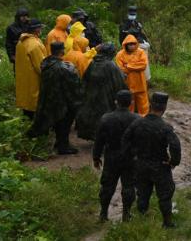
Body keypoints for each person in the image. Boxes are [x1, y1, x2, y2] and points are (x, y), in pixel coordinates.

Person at [122, 92, 181, 228]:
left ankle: (141, 220)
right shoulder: (165, 127)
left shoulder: (137, 123)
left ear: (150, 105)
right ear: (164, 107)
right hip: (160, 165)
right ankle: (167, 223)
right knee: (165, 195)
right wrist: (173, 162)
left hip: (140, 163)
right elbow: (175, 145)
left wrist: (131, 156)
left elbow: (125, 139)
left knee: (142, 193)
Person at [28, 41, 84, 155]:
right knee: (64, 123)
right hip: (61, 100)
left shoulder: (45, 64)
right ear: (62, 51)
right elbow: (72, 87)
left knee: (57, 122)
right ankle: (63, 146)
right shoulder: (64, 68)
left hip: (49, 98)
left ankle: (60, 143)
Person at [93, 89, 139, 223]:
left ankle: (103, 214)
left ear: (116, 102)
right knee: (129, 186)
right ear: (131, 103)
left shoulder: (106, 118)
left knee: (107, 186)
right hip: (130, 158)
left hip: (111, 156)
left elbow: (99, 140)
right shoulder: (136, 119)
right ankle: (126, 214)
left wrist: (96, 157)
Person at [76, 43, 127, 141]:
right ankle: (104, 139)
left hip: (92, 95)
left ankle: (94, 136)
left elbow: (85, 79)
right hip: (107, 96)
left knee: (94, 116)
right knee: (106, 117)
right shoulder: (110, 64)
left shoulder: (93, 62)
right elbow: (119, 81)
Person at [14, 19, 46, 119]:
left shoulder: (21, 42)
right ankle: (35, 130)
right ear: (36, 29)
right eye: (40, 28)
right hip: (33, 80)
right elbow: (41, 66)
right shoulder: (34, 45)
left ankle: (25, 125)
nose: (41, 29)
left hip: (23, 78)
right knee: (33, 105)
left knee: (26, 104)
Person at [115, 34, 149, 115]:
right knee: (129, 103)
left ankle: (144, 119)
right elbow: (121, 68)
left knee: (143, 103)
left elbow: (143, 65)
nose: (132, 46)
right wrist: (135, 66)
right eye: (130, 44)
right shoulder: (120, 54)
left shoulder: (141, 52)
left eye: (134, 44)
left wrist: (128, 65)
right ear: (126, 45)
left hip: (140, 83)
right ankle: (130, 119)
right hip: (128, 84)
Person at [120, 6, 151, 82]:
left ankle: (145, 79)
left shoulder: (137, 23)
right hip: (128, 47)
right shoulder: (124, 24)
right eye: (131, 14)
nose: (132, 16)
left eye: (133, 14)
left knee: (143, 64)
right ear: (128, 14)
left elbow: (142, 35)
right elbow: (122, 37)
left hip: (140, 47)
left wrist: (143, 40)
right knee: (130, 65)